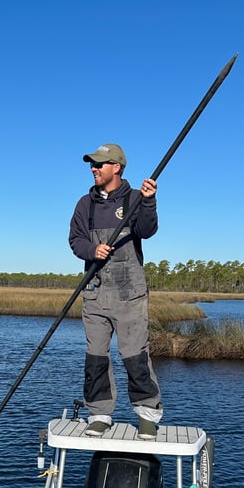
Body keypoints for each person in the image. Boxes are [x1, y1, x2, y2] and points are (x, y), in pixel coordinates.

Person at [69, 143, 163, 440]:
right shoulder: (86, 204)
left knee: (135, 355)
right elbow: (75, 240)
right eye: (92, 165)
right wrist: (92, 250)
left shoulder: (136, 198)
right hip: (95, 292)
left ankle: (147, 414)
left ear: (116, 167)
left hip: (129, 294)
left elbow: (147, 230)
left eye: (99, 164)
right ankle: (99, 414)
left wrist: (149, 201)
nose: (93, 169)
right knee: (95, 356)